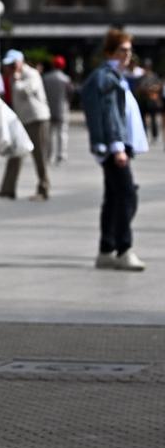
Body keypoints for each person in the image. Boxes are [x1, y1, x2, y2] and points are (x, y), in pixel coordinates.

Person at [80, 29, 148, 271]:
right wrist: (117, 147)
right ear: (110, 52)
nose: (128, 55)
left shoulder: (113, 75)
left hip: (117, 145)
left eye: (130, 50)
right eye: (123, 50)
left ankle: (107, 249)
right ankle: (124, 248)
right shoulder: (107, 76)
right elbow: (109, 114)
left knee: (113, 197)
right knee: (127, 195)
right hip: (114, 146)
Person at [0, 49, 51, 201]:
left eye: (13, 64)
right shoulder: (13, 77)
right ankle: (7, 189)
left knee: (39, 155)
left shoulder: (31, 74)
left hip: (37, 119)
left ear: (20, 62)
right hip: (22, 119)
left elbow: (26, 91)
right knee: (16, 152)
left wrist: (16, 78)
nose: (11, 67)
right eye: (9, 65)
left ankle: (43, 189)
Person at [43, 55, 73, 164]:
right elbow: (70, 94)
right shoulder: (65, 79)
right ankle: (61, 154)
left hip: (49, 108)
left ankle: (49, 155)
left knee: (49, 134)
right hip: (62, 108)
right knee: (62, 133)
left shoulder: (46, 78)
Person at [134, 60, 162, 144]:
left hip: (152, 100)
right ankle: (144, 135)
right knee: (143, 119)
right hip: (144, 100)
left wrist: (152, 89)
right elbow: (138, 88)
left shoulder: (154, 76)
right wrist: (147, 90)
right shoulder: (141, 77)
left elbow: (159, 86)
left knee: (154, 119)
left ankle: (155, 136)